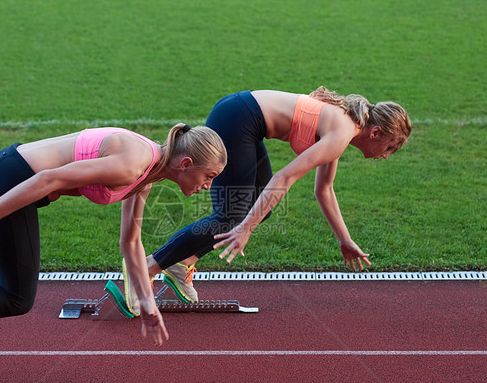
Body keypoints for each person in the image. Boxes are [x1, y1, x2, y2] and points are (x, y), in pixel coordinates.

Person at [0, 124, 227, 383]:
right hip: (13, 180)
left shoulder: (147, 172)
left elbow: (131, 242)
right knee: (15, 296)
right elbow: (50, 180)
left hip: (16, 179)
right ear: (186, 162)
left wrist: (147, 304)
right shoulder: (132, 164)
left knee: (10, 292)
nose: (207, 185)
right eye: (208, 176)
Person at [126, 88, 410, 307]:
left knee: (258, 210)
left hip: (243, 118)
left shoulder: (342, 129)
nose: (385, 155)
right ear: (376, 132)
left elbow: (324, 190)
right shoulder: (341, 132)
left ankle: (181, 262)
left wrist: (345, 240)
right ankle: (146, 268)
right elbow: (283, 179)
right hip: (238, 118)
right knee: (232, 216)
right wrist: (245, 229)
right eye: (390, 147)